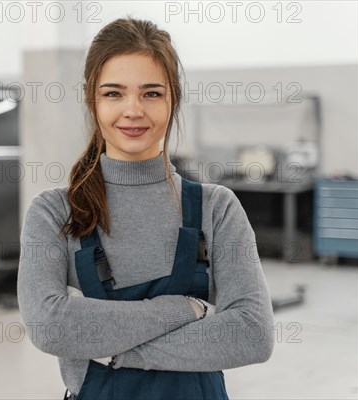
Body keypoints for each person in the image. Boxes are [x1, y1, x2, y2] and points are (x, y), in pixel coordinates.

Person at [17, 17, 274, 400]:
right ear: (92, 100)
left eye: (151, 93)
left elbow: (251, 334)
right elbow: (51, 326)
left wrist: (112, 352)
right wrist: (183, 310)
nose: (133, 110)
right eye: (114, 94)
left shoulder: (215, 208)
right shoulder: (55, 212)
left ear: (174, 100)